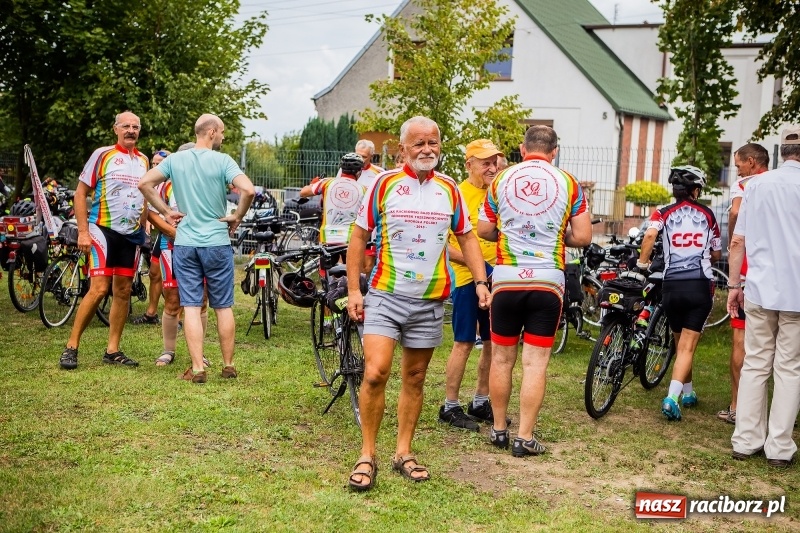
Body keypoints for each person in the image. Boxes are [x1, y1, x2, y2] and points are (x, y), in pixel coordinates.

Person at [344, 116, 491, 490]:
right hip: (385, 295)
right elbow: (358, 237)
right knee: (376, 372)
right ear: (403, 149)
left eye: (433, 143)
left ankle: (404, 452)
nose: (427, 150)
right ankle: (367, 453)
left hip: (429, 300)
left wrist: (479, 281)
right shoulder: (384, 183)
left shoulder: (449, 189)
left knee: (415, 377)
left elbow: (468, 238)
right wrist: (355, 291)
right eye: (419, 144)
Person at [477, 125, 591, 456]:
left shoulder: (501, 179)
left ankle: (498, 430)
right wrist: (557, 237)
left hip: (507, 278)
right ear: (554, 151)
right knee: (535, 363)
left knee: (501, 357)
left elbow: (484, 228)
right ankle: (524, 437)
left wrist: (507, 232)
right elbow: (583, 237)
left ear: (522, 149)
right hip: (547, 281)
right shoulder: (569, 182)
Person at [139, 114, 255, 383]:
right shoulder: (223, 161)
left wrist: (167, 210)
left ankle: (198, 368)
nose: (224, 137)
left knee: (190, 306)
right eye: (223, 132)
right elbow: (248, 190)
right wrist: (237, 216)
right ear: (212, 132)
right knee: (223, 306)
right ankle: (228, 364)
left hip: (186, 242)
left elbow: (144, 183)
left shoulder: (175, 160)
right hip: (216, 241)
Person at [728, 126, 800, 468]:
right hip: (797, 292)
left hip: (758, 287)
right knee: (790, 368)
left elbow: (738, 241)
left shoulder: (754, 186)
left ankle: (745, 439)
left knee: (756, 362)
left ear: (783, 152)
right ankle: (779, 447)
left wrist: (732, 286)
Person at [59, 111, 150, 370]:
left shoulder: (144, 160)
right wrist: (84, 232)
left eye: (135, 126)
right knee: (99, 289)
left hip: (131, 234)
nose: (131, 130)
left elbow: (144, 197)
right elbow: (80, 193)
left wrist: (145, 228)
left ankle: (113, 349)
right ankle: (71, 346)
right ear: (116, 129)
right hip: (103, 230)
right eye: (126, 126)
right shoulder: (103, 154)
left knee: (122, 291)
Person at [637, 165, 722, 421]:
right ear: (695, 190)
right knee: (687, 346)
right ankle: (672, 398)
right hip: (699, 284)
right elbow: (716, 253)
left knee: (679, 342)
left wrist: (642, 263)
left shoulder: (662, 212)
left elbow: (650, 235)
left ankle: (688, 392)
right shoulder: (708, 214)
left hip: (671, 285)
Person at [439, 139, 503, 431]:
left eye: (495, 162)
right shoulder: (457, 195)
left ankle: (480, 400)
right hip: (466, 279)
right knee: (464, 342)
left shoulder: (498, 193)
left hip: (496, 278)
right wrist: (475, 266)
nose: (492, 167)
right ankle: (450, 406)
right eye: (485, 162)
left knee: (491, 343)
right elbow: (442, 245)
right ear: (469, 164)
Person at [717, 143, 769, 424]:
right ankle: (772, 410)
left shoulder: (744, 185)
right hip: (780, 274)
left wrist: (734, 238)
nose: (735, 169)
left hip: (749, 269)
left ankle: (737, 406)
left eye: (737, 164)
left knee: (741, 341)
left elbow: (735, 213)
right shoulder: (780, 185)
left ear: (751, 162)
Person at [146, 143, 210, 368]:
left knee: (201, 301)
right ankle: (168, 350)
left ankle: (198, 353)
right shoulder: (165, 185)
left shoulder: (206, 183)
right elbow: (151, 215)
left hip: (201, 246)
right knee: (172, 301)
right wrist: (175, 232)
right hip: (170, 246)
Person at [131, 149, 171, 326]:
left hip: (172, 236)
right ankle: (151, 313)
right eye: (153, 164)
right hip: (162, 234)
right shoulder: (157, 184)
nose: (155, 167)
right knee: (154, 273)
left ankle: (176, 315)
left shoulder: (173, 184)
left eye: (159, 164)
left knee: (174, 280)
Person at [300, 152, 367, 252]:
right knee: (348, 267)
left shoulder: (327, 183)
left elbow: (303, 192)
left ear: (341, 169)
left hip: (327, 236)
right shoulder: (364, 189)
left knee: (325, 267)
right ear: (359, 172)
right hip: (350, 238)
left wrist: (313, 184)